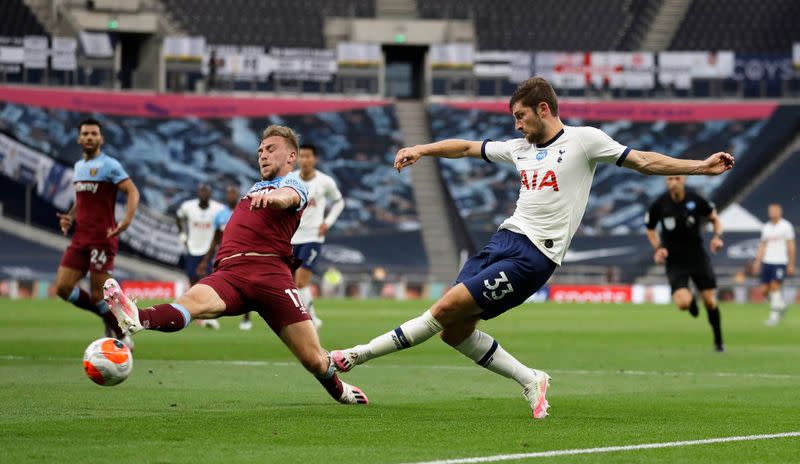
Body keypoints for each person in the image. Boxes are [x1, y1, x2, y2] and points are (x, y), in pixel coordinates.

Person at [331, 77, 735, 418]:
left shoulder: (584, 141)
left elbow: (644, 161)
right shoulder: (519, 148)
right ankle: (530, 379)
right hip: (503, 240)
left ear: (543, 108)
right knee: (453, 332)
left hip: (534, 257)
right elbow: (468, 147)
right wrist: (422, 149)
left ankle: (354, 357)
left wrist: (700, 166)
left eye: (520, 117)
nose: (517, 126)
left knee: (444, 308)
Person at [103, 125, 368, 406]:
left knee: (313, 360)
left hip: (270, 275)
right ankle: (138, 318)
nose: (262, 156)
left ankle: (339, 390)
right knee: (190, 302)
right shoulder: (254, 190)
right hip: (229, 273)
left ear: (291, 156)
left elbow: (288, 197)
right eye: (260, 151)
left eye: (270, 149)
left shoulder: (295, 185)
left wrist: (274, 198)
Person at [54, 118, 139, 347]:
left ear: (101, 139)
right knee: (62, 288)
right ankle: (113, 320)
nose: (89, 137)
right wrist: (70, 217)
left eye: (94, 134)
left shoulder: (109, 165)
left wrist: (127, 219)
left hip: (103, 237)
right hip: (80, 237)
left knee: (97, 294)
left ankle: (122, 335)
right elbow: (82, 200)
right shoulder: (78, 167)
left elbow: (132, 190)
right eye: (85, 134)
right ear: (79, 138)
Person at [645, 176, 725, 352]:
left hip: (697, 257)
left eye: (677, 178)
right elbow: (650, 228)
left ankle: (718, 340)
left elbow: (715, 219)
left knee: (711, 302)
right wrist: (658, 248)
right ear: (666, 182)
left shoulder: (696, 200)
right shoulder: (659, 204)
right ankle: (691, 302)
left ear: (684, 180)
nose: (673, 182)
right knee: (682, 304)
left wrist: (717, 237)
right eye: (669, 179)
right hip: (674, 261)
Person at [291, 144, 345, 329]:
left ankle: (311, 320)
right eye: (302, 156)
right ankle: (311, 317)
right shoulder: (290, 180)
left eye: (308, 156)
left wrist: (327, 223)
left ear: (315, 159)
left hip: (312, 237)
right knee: (292, 283)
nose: (305, 160)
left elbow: (339, 202)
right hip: (291, 238)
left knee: (301, 281)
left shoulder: (325, 181)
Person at [198, 184, 254, 330]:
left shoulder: (245, 211)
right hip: (223, 257)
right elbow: (215, 238)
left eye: (233, 193)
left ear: (238, 195)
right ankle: (214, 318)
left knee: (246, 289)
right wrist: (205, 260)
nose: (231, 196)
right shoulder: (220, 215)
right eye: (228, 193)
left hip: (243, 255)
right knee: (217, 288)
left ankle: (246, 320)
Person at [176, 183, 225, 329]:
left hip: (209, 251)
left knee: (208, 282)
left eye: (206, 191)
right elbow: (179, 217)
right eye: (201, 191)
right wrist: (182, 234)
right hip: (192, 249)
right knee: (192, 281)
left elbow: (222, 226)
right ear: (198, 192)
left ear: (210, 193)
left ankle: (207, 314)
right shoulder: (188, 206)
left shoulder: (218, 209)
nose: (204, 193)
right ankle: (194, 313)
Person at [753, 203, 795, 326]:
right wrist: (757, 262)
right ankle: (781, 305)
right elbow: (762, 246)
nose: (772, 213)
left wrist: (791, 264)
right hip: (767, 262)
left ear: (780, 212)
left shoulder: (786, 226)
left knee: (775, 286)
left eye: (775, 211)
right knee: (764, 291)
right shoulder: (766, 227)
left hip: (780, 262)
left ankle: (774, 316)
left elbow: (791, 246)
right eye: (770, 211)